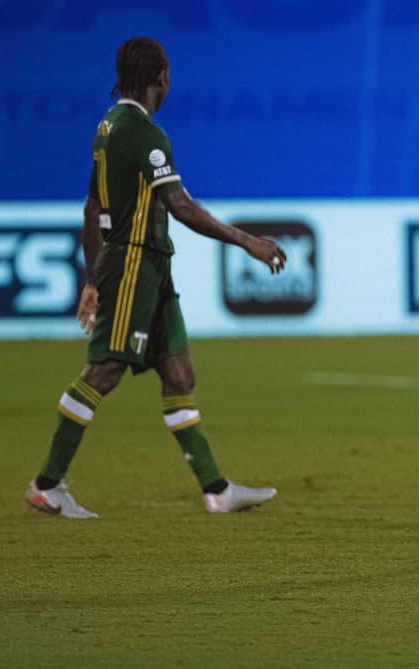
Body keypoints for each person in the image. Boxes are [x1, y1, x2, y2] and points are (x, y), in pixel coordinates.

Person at [25, 37, 287, 518]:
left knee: (178, 371)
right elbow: (181, 206)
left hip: (151, 268)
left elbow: (92, 205)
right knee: (104, 371)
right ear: (161, 78)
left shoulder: (107, 127)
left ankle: (217, 489)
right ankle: (47, 484)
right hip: (132, 265)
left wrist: (89, 278)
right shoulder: (144, 135)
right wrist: (248, 241)